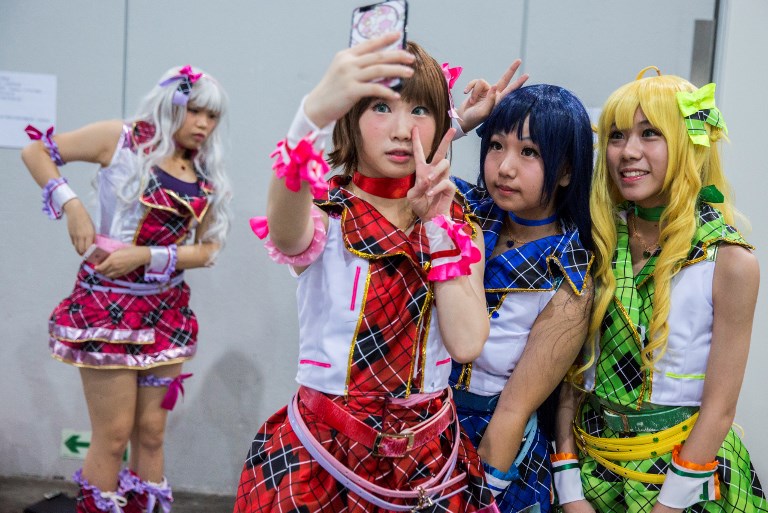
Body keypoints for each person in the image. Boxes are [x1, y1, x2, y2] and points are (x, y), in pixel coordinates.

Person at [234, 33, 516, 512]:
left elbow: (467, 343)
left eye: (420, 111)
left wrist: (438, 227)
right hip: (323, 455)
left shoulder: (454, 219)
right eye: (382, 108)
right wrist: (311, 116)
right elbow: (285, 233)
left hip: (429, 461)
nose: (404, 130)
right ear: (350, 118)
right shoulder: (328, 210)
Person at [552, 69, 767, 513]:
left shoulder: (729, 261)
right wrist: (569, 487)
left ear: (688, 142)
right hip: (591, 475)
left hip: (685, 480)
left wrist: (667, 506)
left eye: (650, 134)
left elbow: (720, 408)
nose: (628, 152)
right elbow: (570, 378)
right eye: (616, 135)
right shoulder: (593, 240)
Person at [21, 65, 231, 513]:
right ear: (170, 104)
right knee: (114, 436)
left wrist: (147, 257)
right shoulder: (121, 139)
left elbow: (210, 248)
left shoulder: (204, 171)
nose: (203, 125)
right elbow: (36, 152)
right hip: (108, 309)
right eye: (194, 111)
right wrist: (72, 205)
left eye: (211, 117)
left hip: (167, 313)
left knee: (152, 434)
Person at [450, 84, 595, 512]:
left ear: (566, 170)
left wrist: (476, 498)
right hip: (417, 425)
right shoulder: (464, 211)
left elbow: (514, 411)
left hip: (494, 448)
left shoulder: (569, 277)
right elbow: (395, 180)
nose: (505, 167)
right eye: (496, 145)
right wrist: (460, 123)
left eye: (528, 152)